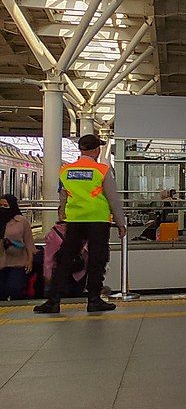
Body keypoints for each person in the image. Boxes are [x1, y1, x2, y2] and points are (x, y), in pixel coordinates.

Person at [34, 134, 127, 314]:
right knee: (97, 260)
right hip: (98, 221)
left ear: (81, 150)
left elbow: (63, 195)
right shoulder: (102, 170)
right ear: (96, 150)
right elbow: (113, 199)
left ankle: (53, 301)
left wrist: (62, 213)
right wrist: (120, 223)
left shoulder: (66, 170)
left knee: (64, 260)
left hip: (74, 221)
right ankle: (94, 300)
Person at [1, 194, 34, 300]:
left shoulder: (21, 221)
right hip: (1, 262)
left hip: (18, 261)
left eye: (5, 206)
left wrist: (30, 260)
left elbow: (29, 241)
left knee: (15, 288)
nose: (2, 208)